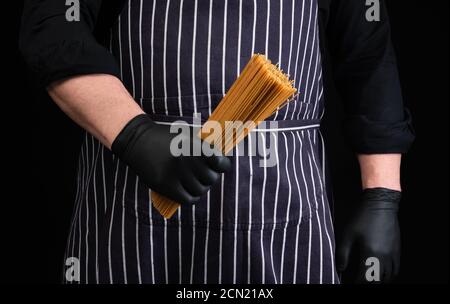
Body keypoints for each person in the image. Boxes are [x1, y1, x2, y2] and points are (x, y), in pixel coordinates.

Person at [20, 0, 414, 284]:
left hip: (282, 207)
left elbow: (369, 58)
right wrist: (134, 134)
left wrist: (382, 194)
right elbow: (53, 27)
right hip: (133, 194)